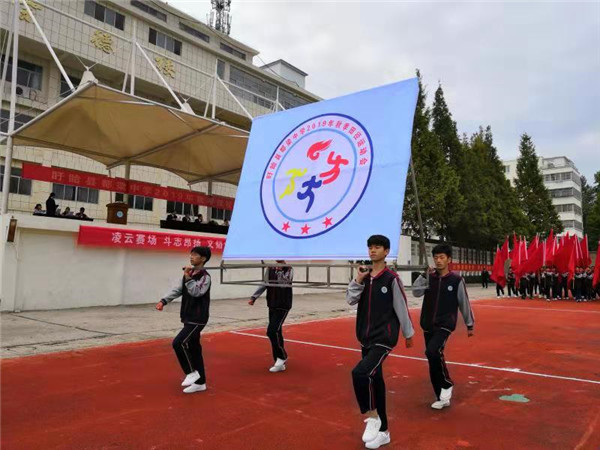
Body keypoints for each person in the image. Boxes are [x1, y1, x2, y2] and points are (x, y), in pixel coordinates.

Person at [346, 234, 414, 449]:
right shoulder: (364, 277)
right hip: (365, 337)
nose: (373, 251)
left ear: (386, 251)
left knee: (360, 373)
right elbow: (350, 300)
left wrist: (408, 332)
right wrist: (358, 279)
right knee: (376, 381)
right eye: (370, 247)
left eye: (377, 247)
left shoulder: (391, 278)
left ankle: (372, 417)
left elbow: (401, 305)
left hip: (384, 338)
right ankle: (384, 432)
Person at [413, 243, 474, 410]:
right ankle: (441, 396)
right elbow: (416, 293)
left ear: (449, 259)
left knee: (432, 351)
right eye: (436, 257)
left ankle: (446, 383)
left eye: (442, 257)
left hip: (445, 324)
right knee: (432, 360)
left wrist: (469, 323)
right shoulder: (430, 277)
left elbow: (463, 302)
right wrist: (423, 276)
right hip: (427, 324)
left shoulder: (456, 280)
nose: (438, 261)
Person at [155, 246, 212, 394]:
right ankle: (200, 383)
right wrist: (164, 300)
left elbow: (197, 292)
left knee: (178, 343)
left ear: (203, 259)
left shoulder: (205, 277)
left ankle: (191, 373)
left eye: (195, 255)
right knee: (194, 349)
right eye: (191, 254)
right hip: (188, 316)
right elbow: (179, 289)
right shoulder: (190, 273)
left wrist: (188, 277)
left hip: (198, 318)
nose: (191, 257)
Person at [248, 260, 293, 372]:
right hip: (272, 303)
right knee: (277, 331)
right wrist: (254, 297)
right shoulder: (270, 268)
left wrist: (279, 272)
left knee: (272, 331)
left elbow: (284, 284)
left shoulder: (289, 269)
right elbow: (265, 283)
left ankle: (282, 356)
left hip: (283, 305)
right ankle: (279, 361)